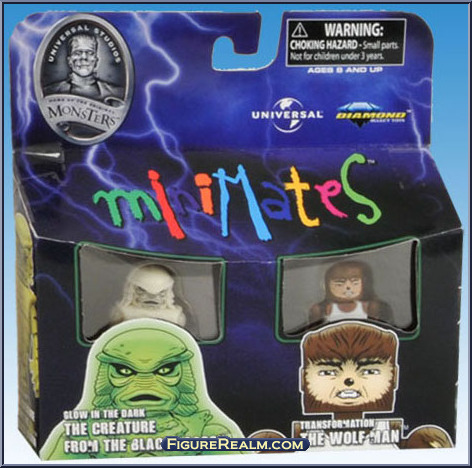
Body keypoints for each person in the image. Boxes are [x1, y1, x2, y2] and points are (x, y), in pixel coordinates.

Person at [44, 34, 123, 102]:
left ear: (96, 60)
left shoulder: (117, 93)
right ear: (69, 60)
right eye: (77, 53)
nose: (84, 57)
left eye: (90, 53)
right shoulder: (50, 92)